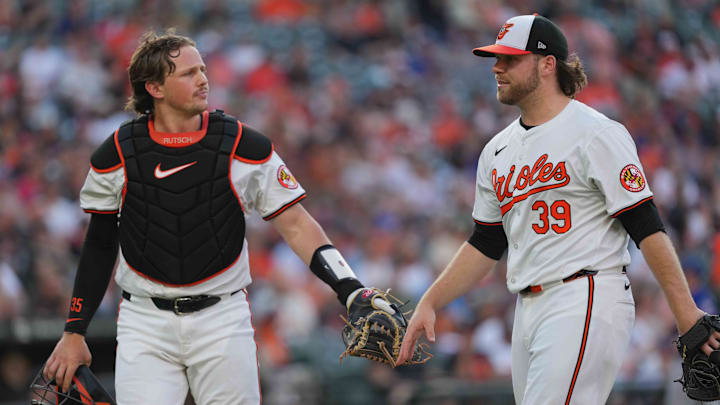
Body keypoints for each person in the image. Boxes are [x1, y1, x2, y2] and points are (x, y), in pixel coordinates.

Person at [43, 30, 386, 405]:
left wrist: (350, 288)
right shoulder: (119, 152)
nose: (203, 79)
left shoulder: (243, 144)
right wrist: (74, 331)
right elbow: (99, 243)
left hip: (223, 318)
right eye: (188, 73)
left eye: (202, 69)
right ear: (154, 88)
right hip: (145, 321)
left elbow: (298, 223)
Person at [397, 14, 720, 404]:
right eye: (496, 59)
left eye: (511, 59)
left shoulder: (596, 133)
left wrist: (685, 312)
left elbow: (646, 225)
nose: (497, 68)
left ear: (548, 64)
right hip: (528, 307)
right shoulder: (496, 150)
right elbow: (486, 242)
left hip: (584, 294)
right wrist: (431, 300)